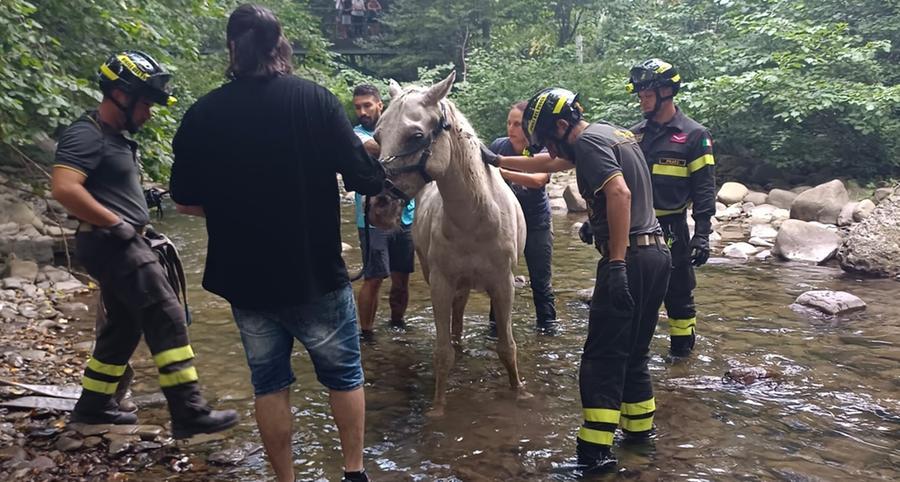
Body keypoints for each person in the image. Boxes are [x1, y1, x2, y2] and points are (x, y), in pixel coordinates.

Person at [169, 5, 385, 482]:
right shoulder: (315, 101)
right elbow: (366, 180)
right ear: (279, 46)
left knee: (269, 384)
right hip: (315, 273)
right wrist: (373, 156)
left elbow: (184, 201)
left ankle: (285, 478)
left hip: (246, 281)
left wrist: (231, 208)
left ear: (232, 49)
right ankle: (354, 473)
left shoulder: (203, 114)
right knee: (345, 376)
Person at [481, 87, 671, 473]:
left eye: (548, 141)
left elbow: (619, 191)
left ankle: (594, 457)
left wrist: (615, 262)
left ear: (563, 126)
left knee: (601, 360)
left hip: (630, 259)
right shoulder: (609, 133)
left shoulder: (587, 145)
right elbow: (552, 166)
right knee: (633, 355)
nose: (547, 151)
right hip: (656, 255)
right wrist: (497, 158)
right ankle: (639, 440)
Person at [51, 50, 238, 438]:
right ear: (121, 94)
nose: (150, 112)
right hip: (112, 242)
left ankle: (94, 406)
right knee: (165, 314)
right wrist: (116, 223)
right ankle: (189, 412)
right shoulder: (86, 133)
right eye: (147, 102)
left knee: (123, 326)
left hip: (119, 239)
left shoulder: (113, 137)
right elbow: (64, 188)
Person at [627, 59, 716, 358]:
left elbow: (704, 188)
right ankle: (636, 355)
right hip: (635, 227)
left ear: (667, 92)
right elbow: (619, 183)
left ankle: (681, 359)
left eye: (647, 95)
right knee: (632, 295)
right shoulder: (634, 135)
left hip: (672, 227)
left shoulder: (694, 135)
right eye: (639, 95)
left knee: (678, 295)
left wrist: (702, 234)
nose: (642, 100)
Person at [487, 101, 558, 334]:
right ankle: (495, 327)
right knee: (498, 276)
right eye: (509, 122)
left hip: (536, 222)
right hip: (504, 224)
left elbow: (539, 180)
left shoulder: (543, 148)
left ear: (529, 126)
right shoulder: (499, 146)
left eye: (517, 124)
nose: (511, 128)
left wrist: (502, 171)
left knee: (540, 279)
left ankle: (547, 327)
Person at [351, 84, 416, 339]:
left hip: (405, 215)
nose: (363, 111)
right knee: (374, 277)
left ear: (380, 104)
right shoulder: (355, 133)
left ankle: (397, 324)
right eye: (358, 107)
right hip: (372, 219)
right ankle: (366, 333)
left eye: (367, 105)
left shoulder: (395, 128)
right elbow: (374, 148)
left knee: (402, 279)